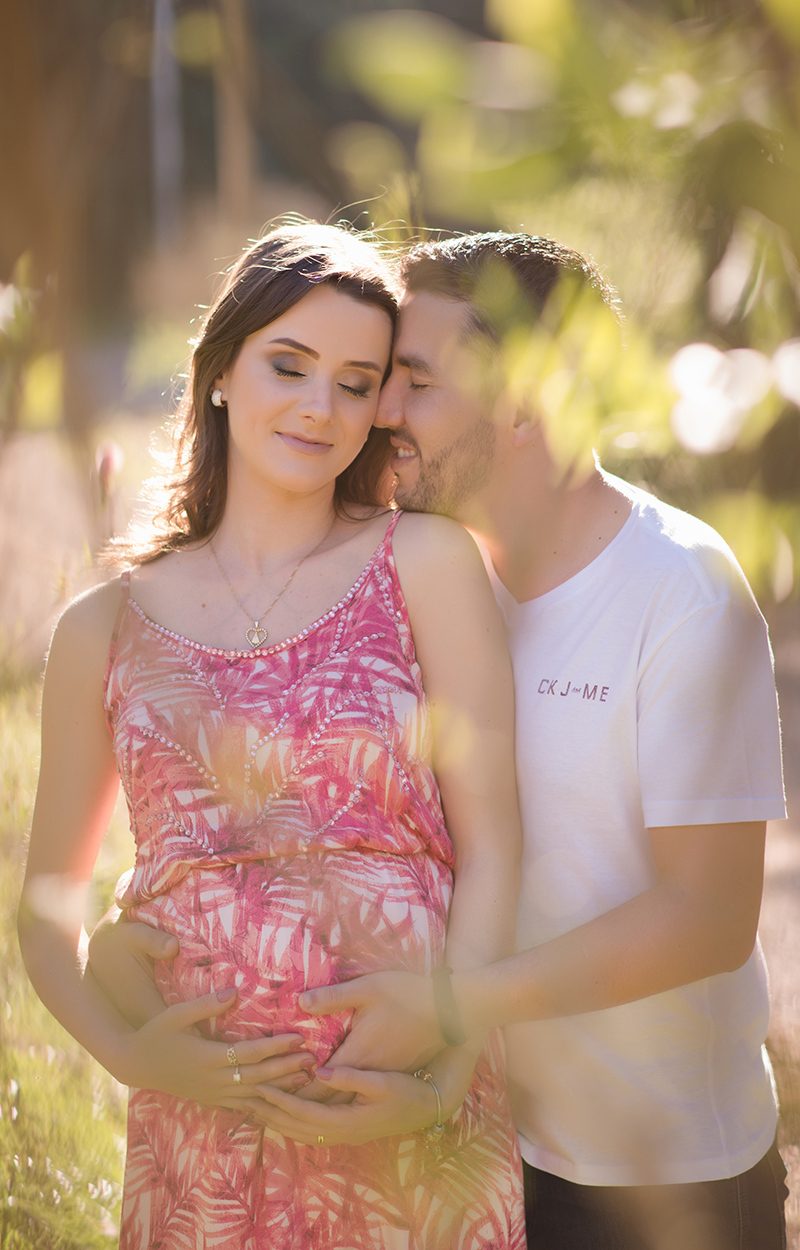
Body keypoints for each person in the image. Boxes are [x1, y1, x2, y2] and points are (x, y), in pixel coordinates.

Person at [232, 233, 788, 1250]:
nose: (382, 411)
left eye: (416, 380)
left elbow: (707, 912)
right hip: (478, 1151)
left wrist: (450, 1003)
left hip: (667, 1182)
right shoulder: (427, 584)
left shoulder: (682, 592)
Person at [17, 223, 527, 1249]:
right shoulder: (102, 625)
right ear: (216, 372)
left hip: (405, 1115)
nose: (317, 406)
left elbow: (495, 846)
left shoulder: (423, 562)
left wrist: (443, 1061)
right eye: (287, 365)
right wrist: (133, 1055)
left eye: (355, 381)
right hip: (203, 1141)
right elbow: (44, 911)